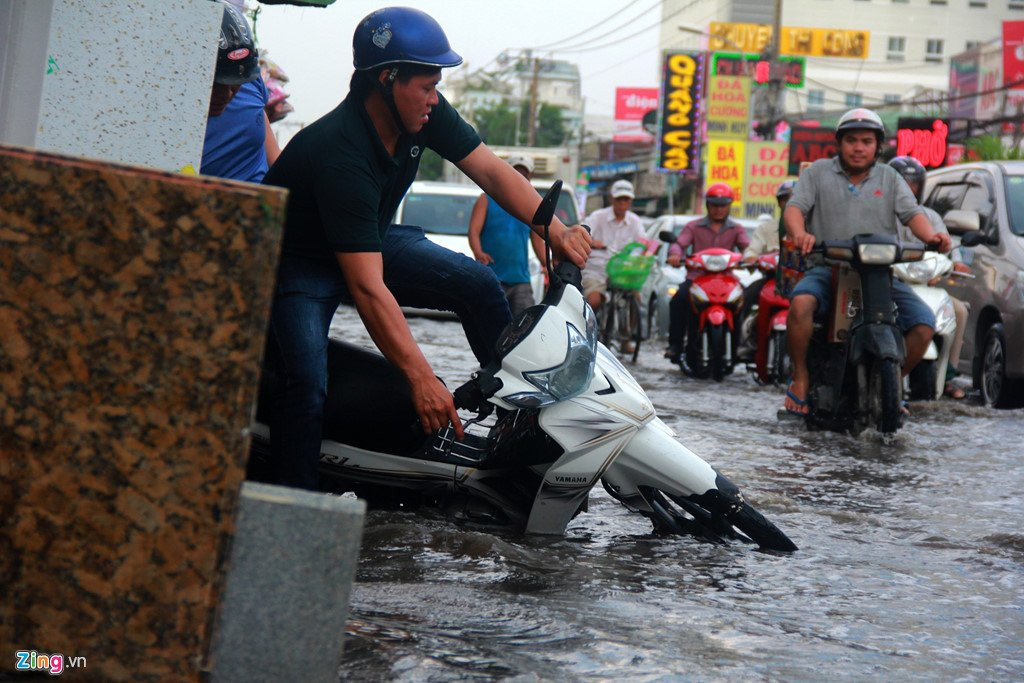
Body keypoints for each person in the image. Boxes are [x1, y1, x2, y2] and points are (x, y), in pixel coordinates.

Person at [260, 7, 592, 490]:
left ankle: (523, 427)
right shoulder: (339, 151)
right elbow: (368, 289)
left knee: (478, 283)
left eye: (437, 86)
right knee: (305, 385)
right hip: (301, 262)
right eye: (426, 86)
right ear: (386, 79)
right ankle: (293, 504)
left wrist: (555, 230)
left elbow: (491, 170)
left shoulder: (422, 113)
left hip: (368, 241)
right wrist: (421, 379)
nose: (434, 98)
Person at [782, 108, 952, 416]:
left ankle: (891, 386)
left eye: (866, 141)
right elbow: (795, 208)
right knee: (800, 304)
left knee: (924, 325)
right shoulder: (817, 172)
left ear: (877, 146)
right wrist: (799, 233)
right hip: (828, 267)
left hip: (879, 273)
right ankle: (800, 377)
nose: (858, 148)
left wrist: (932, 236)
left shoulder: (890, 177)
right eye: (851, 140)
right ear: (839, 143)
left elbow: (912, 214)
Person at [888, 155, 971, 399]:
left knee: (959, 311)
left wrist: (954, 262)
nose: (908, 189)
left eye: (913, 184)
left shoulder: (931, 217)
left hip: (923, 284)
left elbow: (947, 247)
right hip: (890, 281)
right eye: (902, 183)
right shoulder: (881, 214)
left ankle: (948, 375)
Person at [664, 183, 750, 364]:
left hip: (727, 281)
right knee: (678, 299)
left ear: (729, 206)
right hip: (697, 279)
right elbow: (679, 244)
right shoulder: (693, 227)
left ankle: (740, 344)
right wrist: (675, 255)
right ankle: (675, 345)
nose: (718, 209)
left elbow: (748, 248)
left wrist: (750, 257)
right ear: (707, 205)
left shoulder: (737, 229)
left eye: (723, 205)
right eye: (714, 205)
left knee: (746, 298)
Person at [201, 1, 280, 182]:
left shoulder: (251, 81)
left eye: (236, 83)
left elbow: (276, 160)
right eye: (217, 84)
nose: (228, 94)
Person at [468, 154, 547, 316]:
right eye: (516, 173)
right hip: (492, 276)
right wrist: (478, 252)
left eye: (524, 174)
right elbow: (474, 231)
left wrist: (547, 265)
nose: (520, 177)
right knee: (490, 322)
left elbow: (537, 240)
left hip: (521, 279)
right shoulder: (486, 199)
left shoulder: (531, 205)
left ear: (530, 177)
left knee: (523, 324)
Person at [580, 179, 648, 353]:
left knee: (635, 298)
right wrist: (593, 242)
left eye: (626, 199)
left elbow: (643, 242)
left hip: (622, 270)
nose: (623, 203)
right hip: (598, 268)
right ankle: (586, 334)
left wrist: (642, 250)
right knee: (594, 299)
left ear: (630, 201)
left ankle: (626, 338)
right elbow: (583, 233)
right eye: (619, 199)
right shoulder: (598, 217)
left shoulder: (635, 221)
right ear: (612, 199)